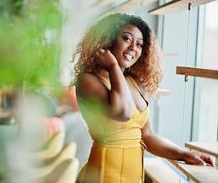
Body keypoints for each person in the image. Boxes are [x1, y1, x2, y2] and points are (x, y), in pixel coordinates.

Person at [72, 13, 213, 183]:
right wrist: (113, 66)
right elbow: (122, 112)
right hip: (101, 176)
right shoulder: (88, 80)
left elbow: (148, 136)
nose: (133, 48)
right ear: (109, 40)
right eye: (126, 39)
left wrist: (185, 154)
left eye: (139, 44)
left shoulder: (135, 82)